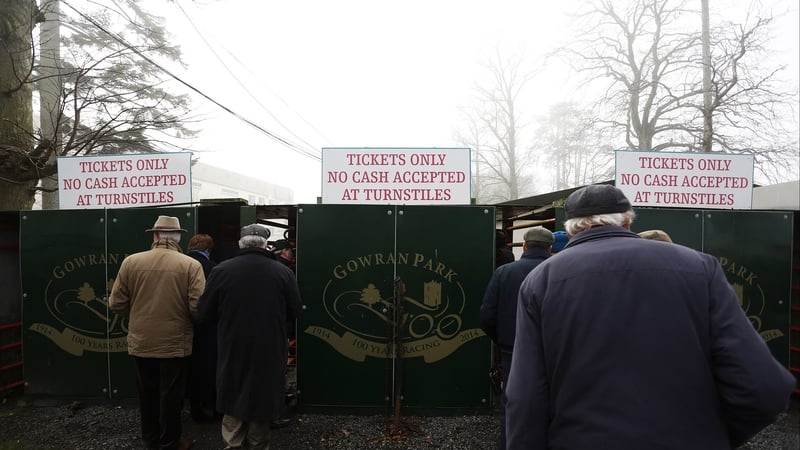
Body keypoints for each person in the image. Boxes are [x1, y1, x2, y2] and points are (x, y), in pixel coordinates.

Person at [506, 184, 795, 449]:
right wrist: (713, 435)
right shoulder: (699, 268)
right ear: (628, 220)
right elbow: (765, 386)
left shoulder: (541, 281)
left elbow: (526, 398)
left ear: (570, 231)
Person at [198, 224, 303, 450]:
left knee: (233, 392)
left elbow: (204, 311)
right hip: (270, 346)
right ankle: (257, 443)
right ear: (265, 245)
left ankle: (233, 443)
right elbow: (295, 311)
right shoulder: (283, 272)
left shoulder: (221, 270)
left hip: (232, 343)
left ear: (240, 244)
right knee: (262, 395)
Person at [109, 216, 205, 450]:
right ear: (178, 237)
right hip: (176, 341)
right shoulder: (191, 265)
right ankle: (170, 441)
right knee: (171, 395)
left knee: (147, 393)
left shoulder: (131, 262)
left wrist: (139, 315)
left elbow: (116, 303)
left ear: (154, 235)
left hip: (141, 340)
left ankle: (150, 439)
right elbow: (197, 307)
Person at [480, 226, 553, 450]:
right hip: (553, 350)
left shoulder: (504, 272)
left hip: (512, 348)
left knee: (512, 402)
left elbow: (487, 316)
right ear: (550, 248)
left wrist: (502, 340)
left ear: (525, 246)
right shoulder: (561, 270)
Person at [185, 234, 219, 423]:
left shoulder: (179, 264)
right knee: (208, 366)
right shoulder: (214, 268)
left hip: (182, 324)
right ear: (208, 249)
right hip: (207, 326)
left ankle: (193, 406)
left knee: (187, 368)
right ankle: (210, 406)